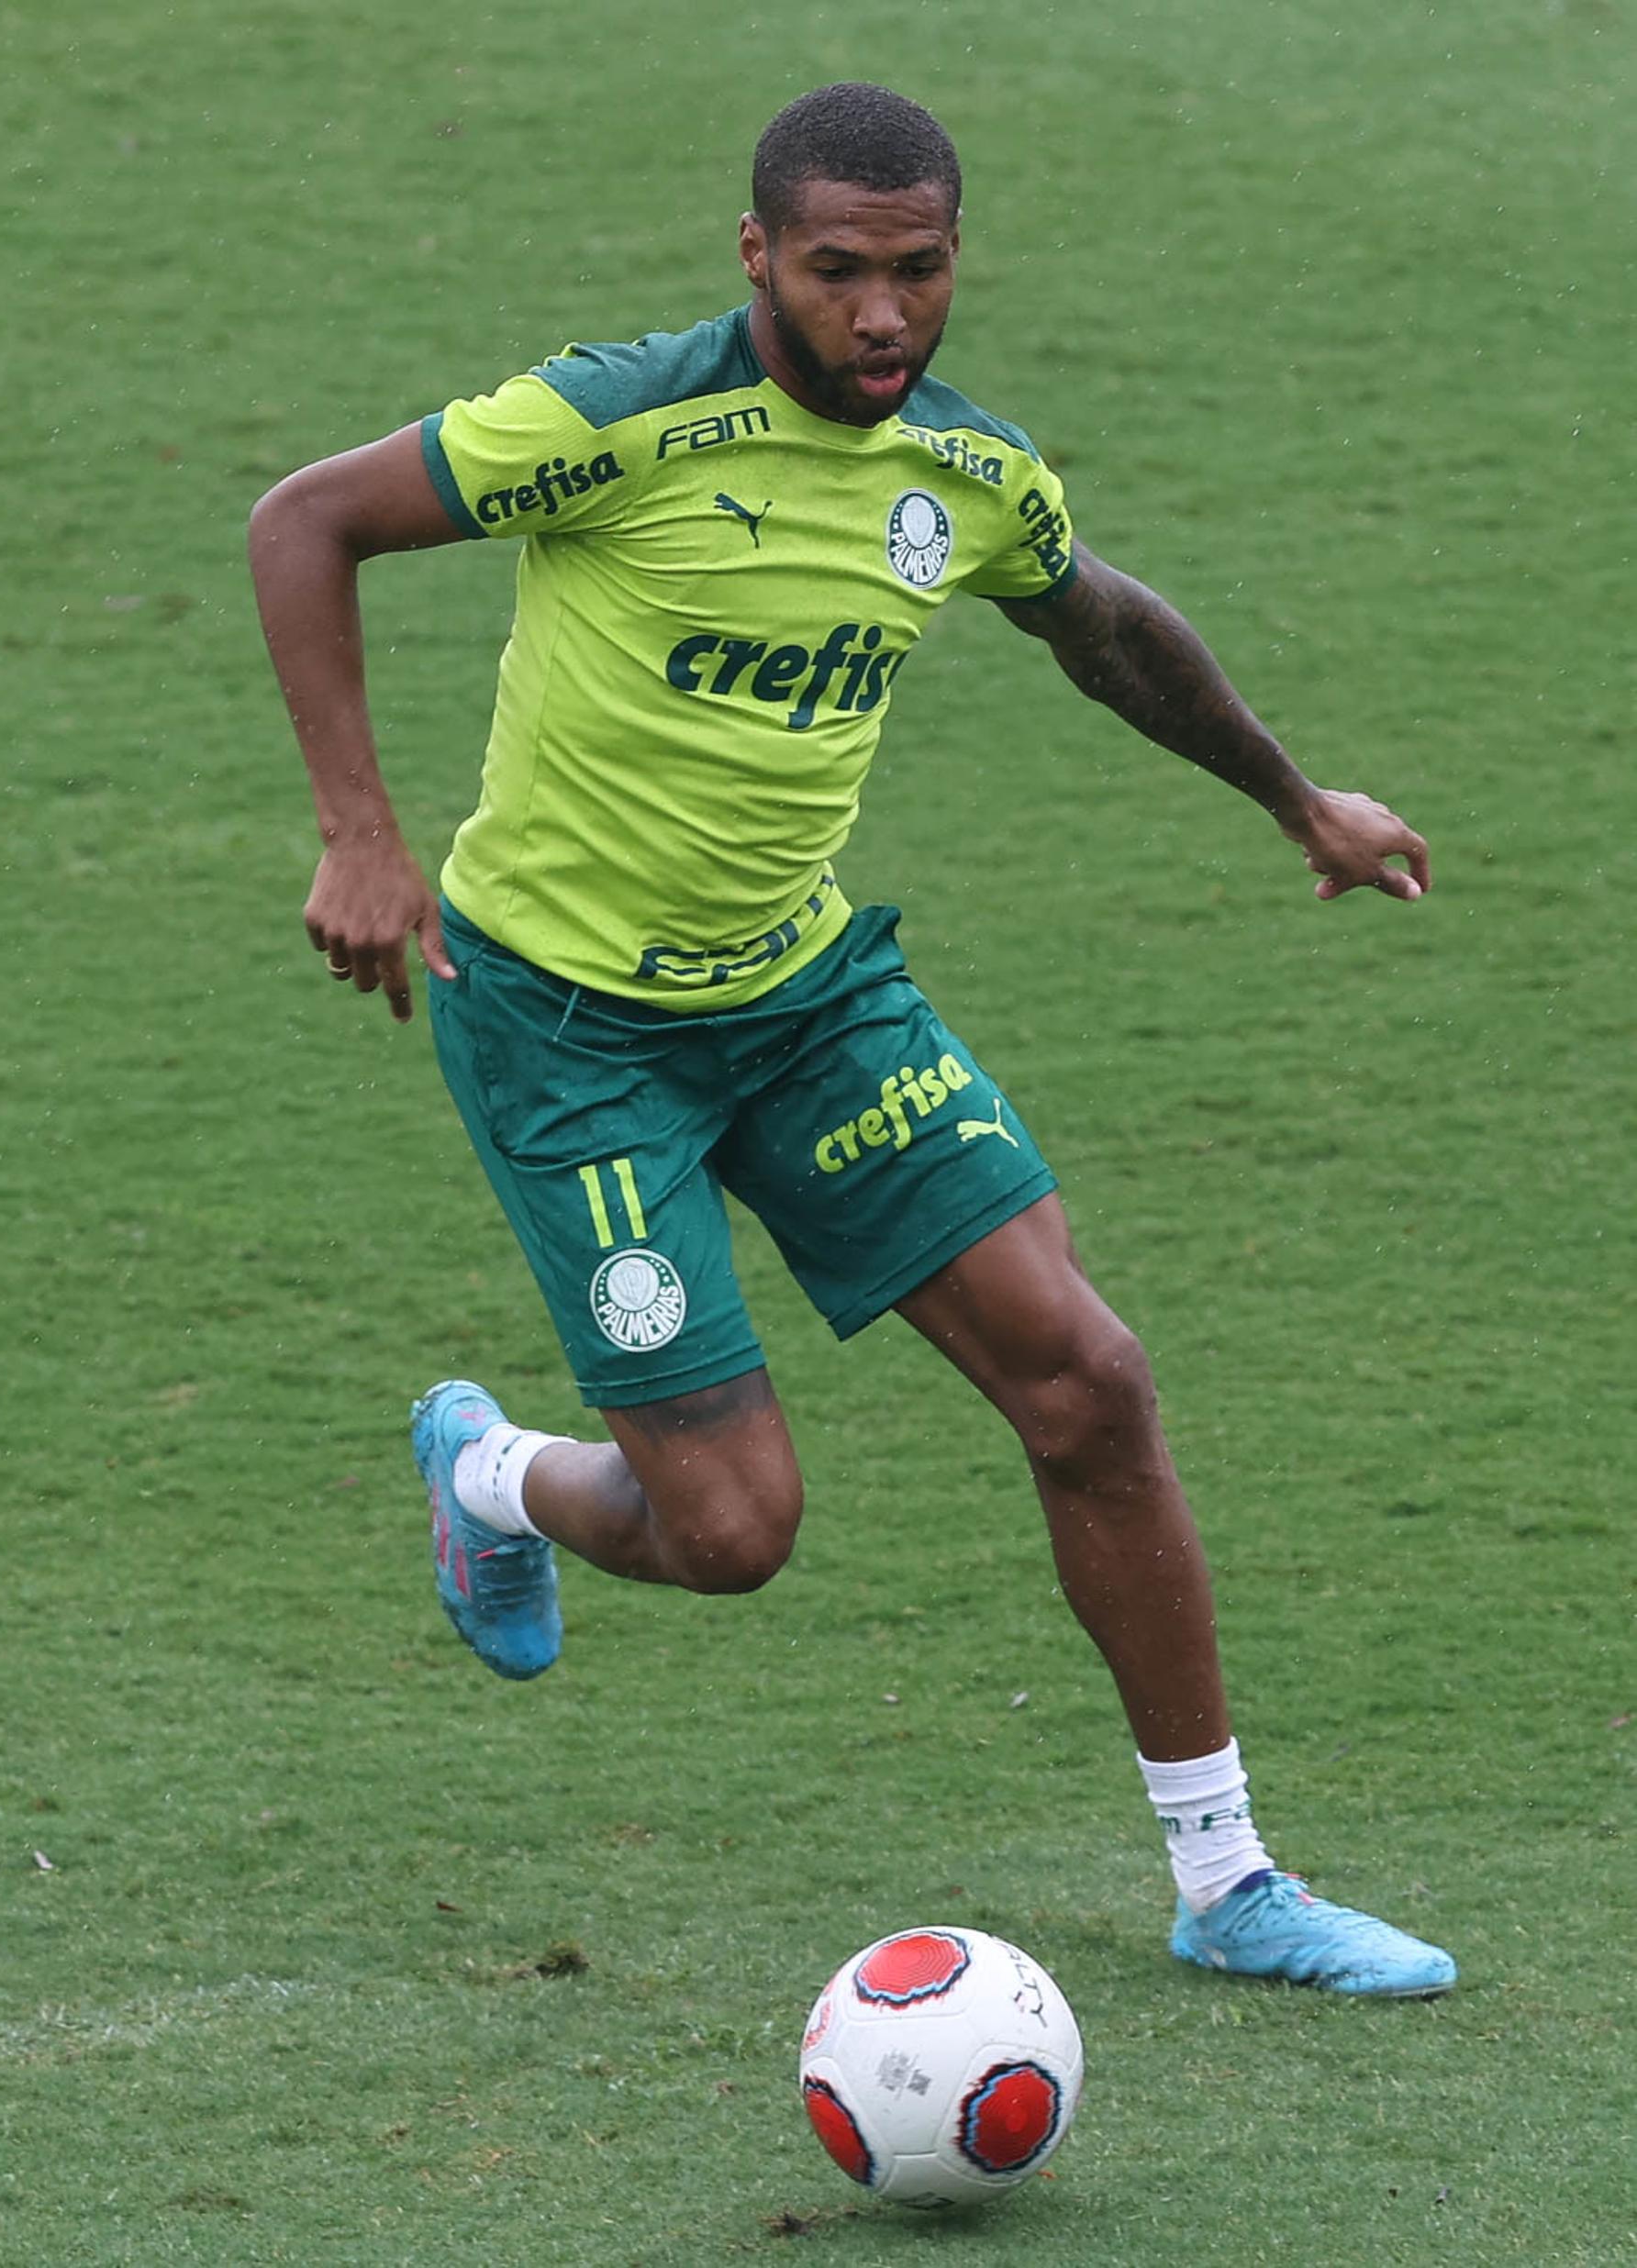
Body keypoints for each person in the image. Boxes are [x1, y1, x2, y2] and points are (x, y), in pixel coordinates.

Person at [250, 83, 1453, 1996]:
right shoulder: (615, 422)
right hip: (568, 1033)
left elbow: (1106, 626)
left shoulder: (963, 478)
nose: (884, 316)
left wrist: (1298, 801)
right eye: (838, 275)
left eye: (918, 271)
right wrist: (363, 835)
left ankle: (1230, 1884)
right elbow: (305, 522)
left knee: (1091, 1384)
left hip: (807, 1001)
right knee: (731, 1535)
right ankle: (489, 1478)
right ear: (757, 260)